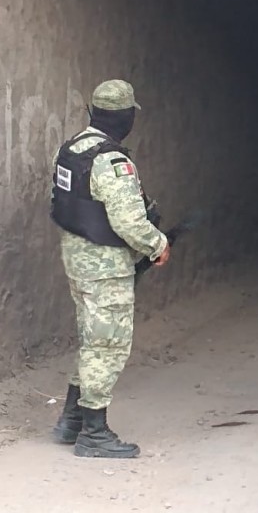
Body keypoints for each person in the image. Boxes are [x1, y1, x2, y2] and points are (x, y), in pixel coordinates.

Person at [51, 80, 170, 458]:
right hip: (105, 266)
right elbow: (128, 222)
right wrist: (158, 244)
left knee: (92, 338)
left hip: (77, 259)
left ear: (93, 112)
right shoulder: (112, 161)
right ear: (126, 117)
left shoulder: (72, 148)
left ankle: (71, 420)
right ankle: (94, 434)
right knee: (109, 344)